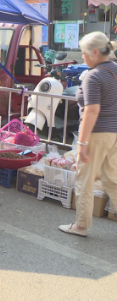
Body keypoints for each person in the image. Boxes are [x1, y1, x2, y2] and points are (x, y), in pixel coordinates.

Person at [59, 32, 117, 237]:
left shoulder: (93, 75)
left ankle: (81, 225)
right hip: (114, 132)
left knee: (85, 179)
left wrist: (82, 143)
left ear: (94, 52)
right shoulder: (115, 70)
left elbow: (92, 111)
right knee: (112, 178)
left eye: (84, 53)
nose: (82, 57)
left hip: (97, 133)